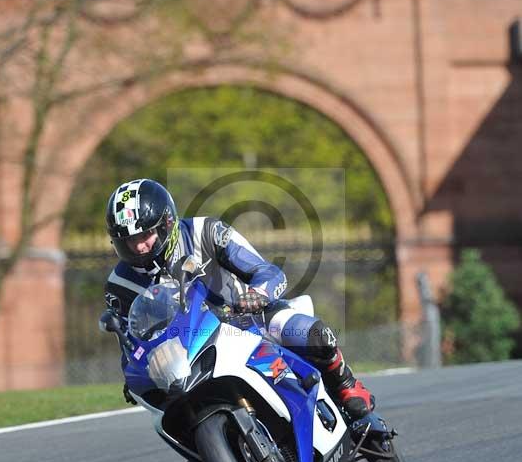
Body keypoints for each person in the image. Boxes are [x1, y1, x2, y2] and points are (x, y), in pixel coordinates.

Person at [104, 178, 374, 420]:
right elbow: (130, 346)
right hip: (189, 351)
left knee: (313, 334)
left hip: (248, 319)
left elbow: (267, 271)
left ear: (167, 223)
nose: (140, 247)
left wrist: (257, 295)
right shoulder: (120, 286)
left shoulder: (206, 231)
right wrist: (137, 373)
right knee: (169, 412)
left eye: (145, 235)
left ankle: (346, 385)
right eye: (130, 241)